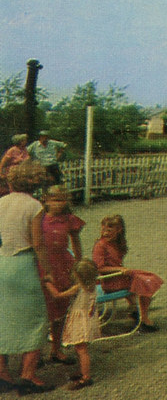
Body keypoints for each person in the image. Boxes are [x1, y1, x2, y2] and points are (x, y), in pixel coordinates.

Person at [0, 161, 54, 395]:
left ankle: (2, 374)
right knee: (35, 319)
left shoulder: (1, 202)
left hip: (2, 262)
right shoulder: (34, 206)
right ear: (36, 182)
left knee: (3, 317)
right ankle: (28, 375)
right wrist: (48, 270)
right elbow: (38, 243)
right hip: (23, 265)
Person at [92, 214, 163, 332]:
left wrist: (121, 270)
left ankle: (135, 309)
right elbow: (99, 268)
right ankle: (143, 319)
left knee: (148, 278)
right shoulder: (100, 245)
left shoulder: (116, 244)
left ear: (119, 230)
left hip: (117, 278)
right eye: (103, 230)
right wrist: (119, 270)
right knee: (144, 282)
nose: (105, 233)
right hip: (110, 281)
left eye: (109, 230)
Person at [39, 186, 85, 365]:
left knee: (60, 309)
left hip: (63, 264)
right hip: (44, 265)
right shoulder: (39, 218)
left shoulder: (69, 220)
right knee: (42, 309)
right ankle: (35, 353)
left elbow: (76, 243)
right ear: (46, 200)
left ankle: (56, 349)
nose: (59, 204)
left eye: (63, 200)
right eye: (55, 200)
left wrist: (79, 264)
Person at [43, 259, 101, 390]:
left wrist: (47, 283)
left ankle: (86, 377)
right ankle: (83, 371)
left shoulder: (78, 288)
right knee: (80, 348)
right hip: (88, 320)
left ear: (77, 275)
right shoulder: (93, 287)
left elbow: (57, 295)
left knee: (81, 350)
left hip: (80, 322)